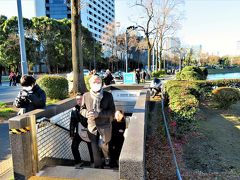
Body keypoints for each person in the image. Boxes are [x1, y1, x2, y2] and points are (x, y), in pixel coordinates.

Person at [80, 75, 115, 168]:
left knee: (104, 144)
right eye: (94, 82)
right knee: (94, 148)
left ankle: (107, 157)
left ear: (101, 83)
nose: (96, 84)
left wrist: (98, 114)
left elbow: (112, 111)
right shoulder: (86, 95)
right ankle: (98, 168)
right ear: (90, 84)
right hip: (92, 127)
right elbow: (82, 109)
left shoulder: (108, 95)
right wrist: (86, 113)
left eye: (98, 82)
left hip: (105, 126)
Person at [70, 93, 94, 169]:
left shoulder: (89, 107)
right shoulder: (74, 109)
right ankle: (78, 161)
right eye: (77, 99)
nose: (79, 101)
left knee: (92, 148)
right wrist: (71, 133)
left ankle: (93, 162)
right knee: (74, 147)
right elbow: (72, 122)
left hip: (89, 131)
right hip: (79, 132)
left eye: (80, 99)